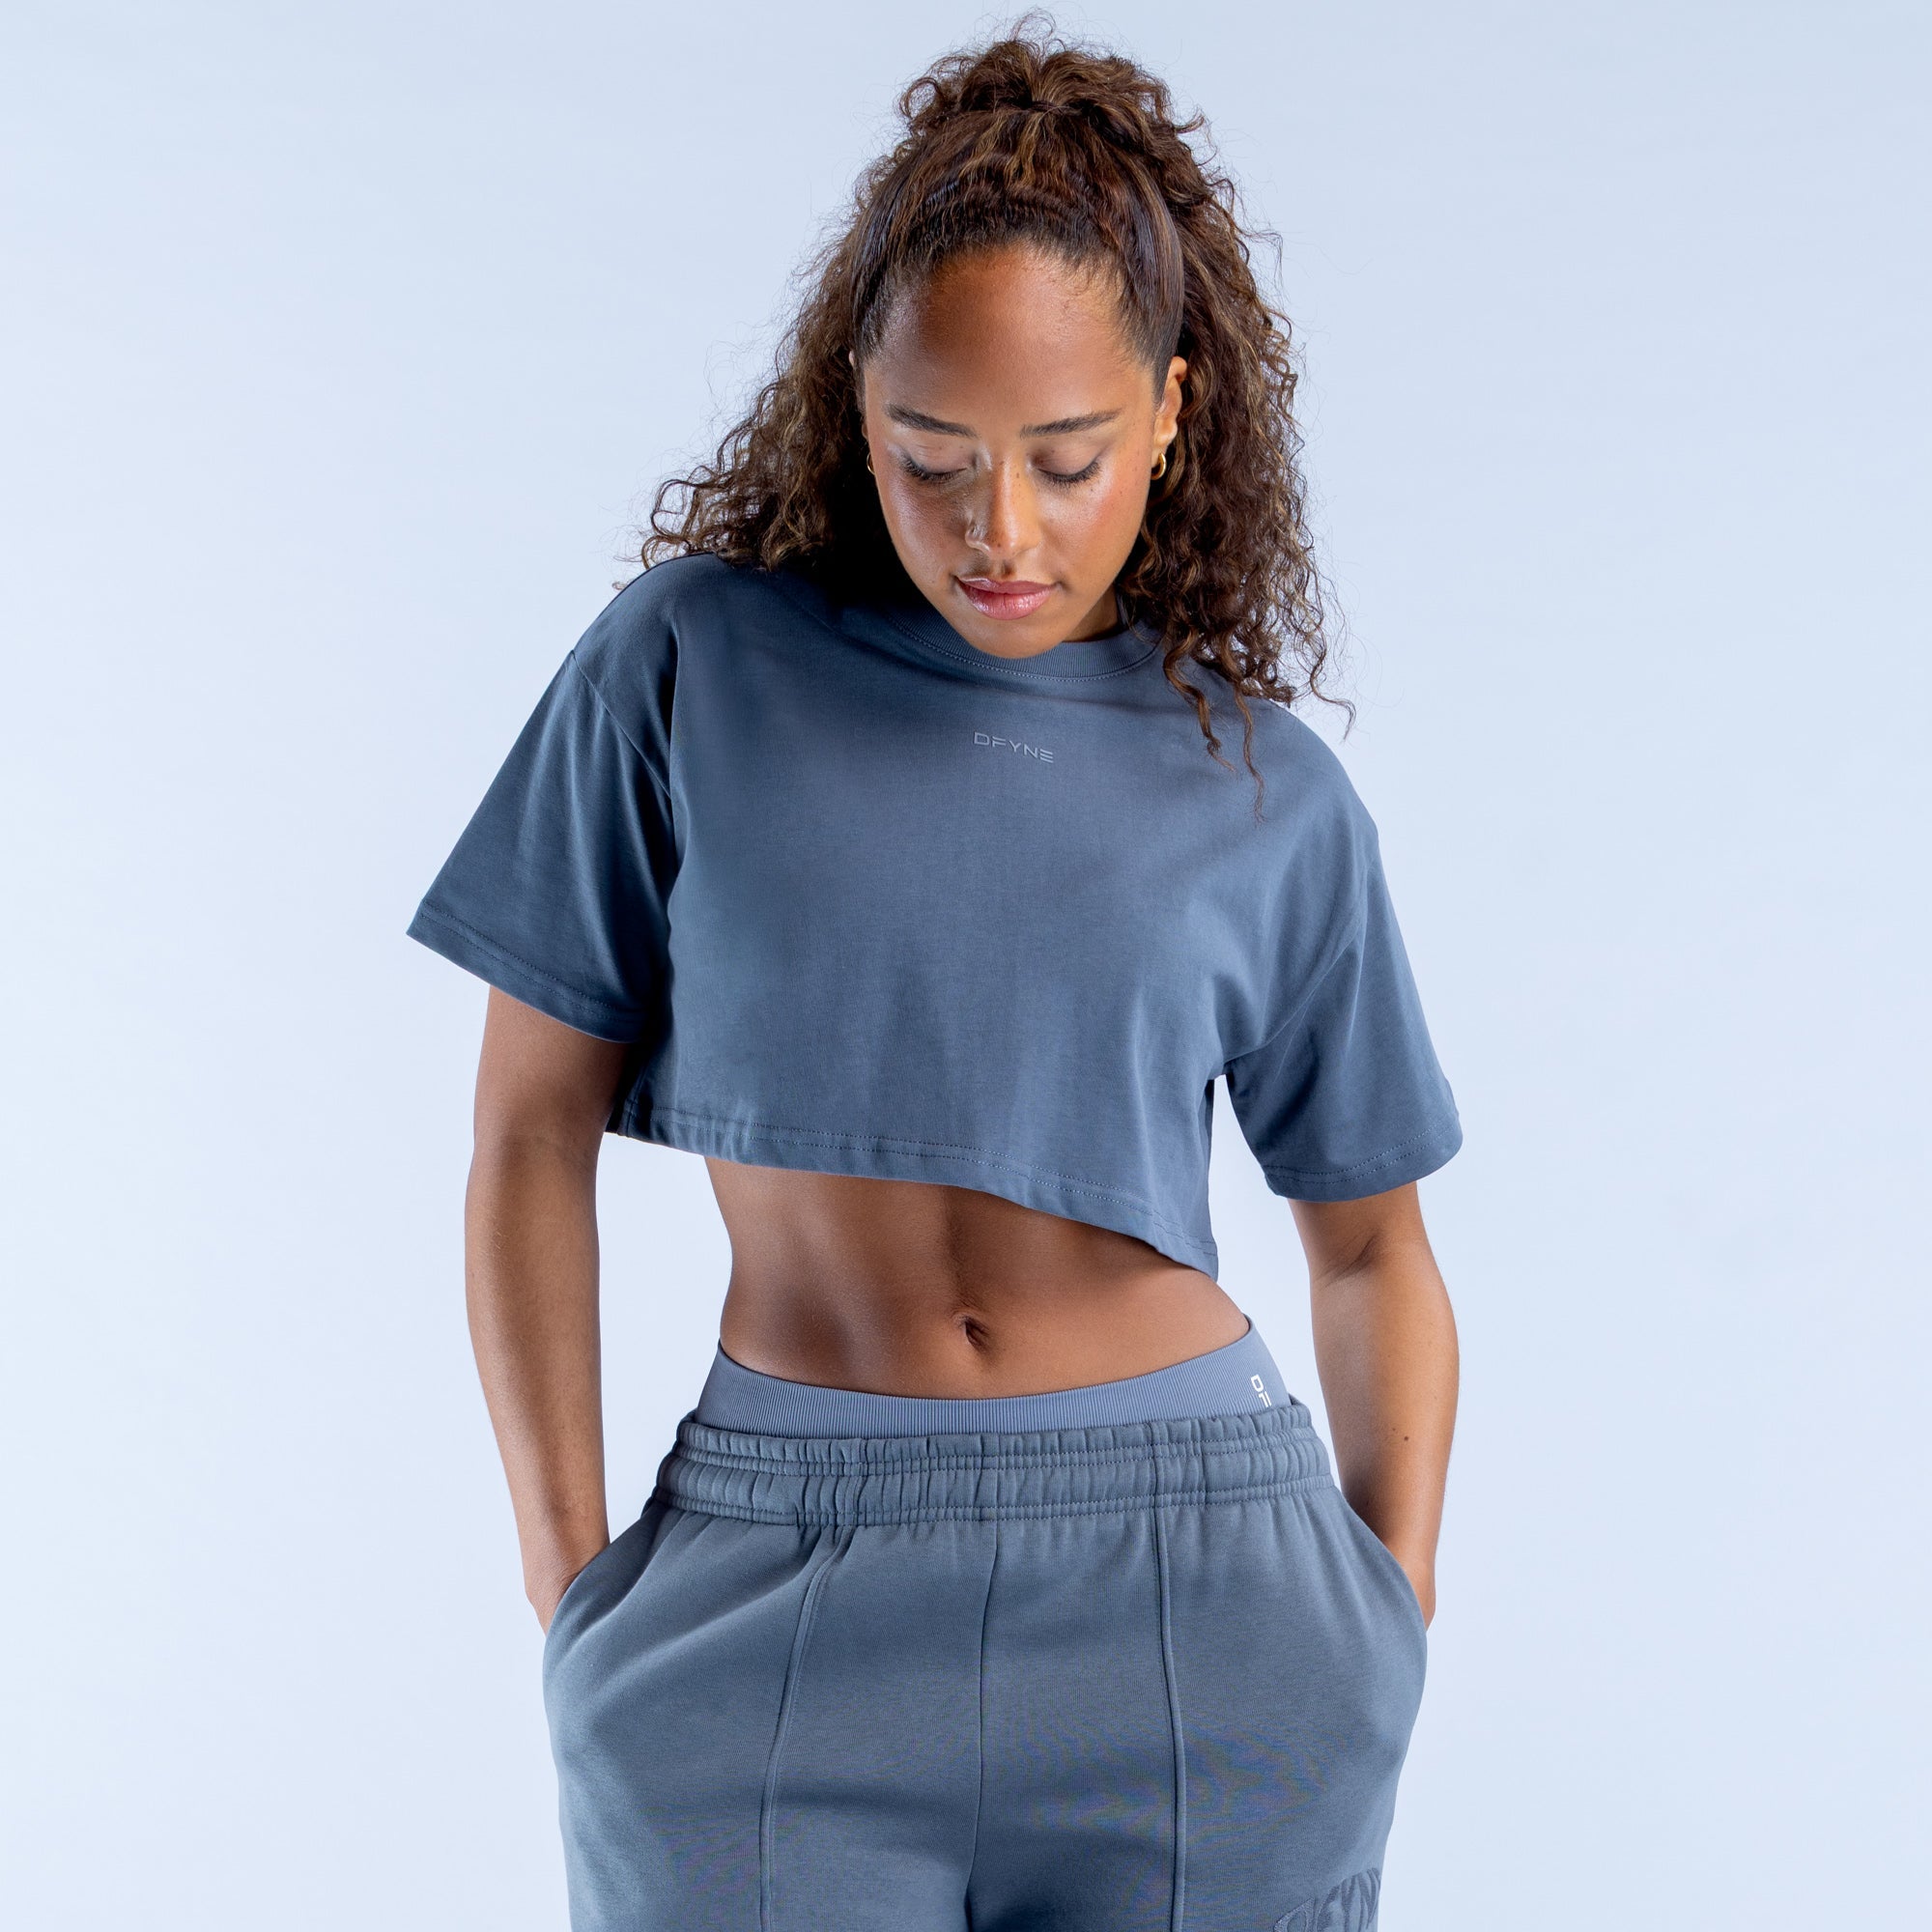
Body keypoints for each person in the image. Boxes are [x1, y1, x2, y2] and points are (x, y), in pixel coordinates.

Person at [408, 21, 1463, 1930]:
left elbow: (1373, 1244)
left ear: (1171, 412)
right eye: (933, 458)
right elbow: (523, 1138)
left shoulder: (1266, 788)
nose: (1000, 531)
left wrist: (1387, 1618)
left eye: (1066, 461)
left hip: (1207, 1605)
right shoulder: (687, 669)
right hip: (767, 1595)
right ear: (858, 407)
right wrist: (572, 1599)